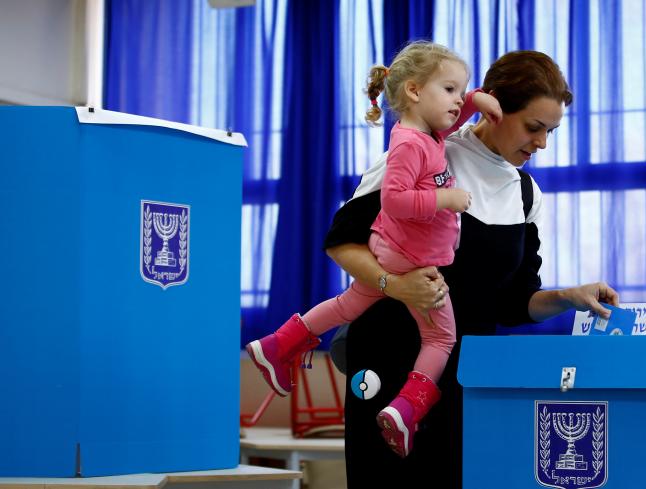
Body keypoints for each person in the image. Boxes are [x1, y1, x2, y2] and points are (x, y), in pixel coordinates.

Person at [324, 50, 620, 488]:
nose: (542, 144)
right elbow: (343, 241)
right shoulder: (425, 152)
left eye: (550, 132)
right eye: (534, 128)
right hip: (391, 365)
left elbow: (514, 304)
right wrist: (398, 285)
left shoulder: (525, 194)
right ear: (494, 107)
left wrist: (567, 297)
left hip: (468, 375)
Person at [245, 41, 502, 458]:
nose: (458, 102)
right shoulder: (409, 144)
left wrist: (476, 99)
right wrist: (445, 200)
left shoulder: (426, 134)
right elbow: (395, 200)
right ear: (416, 91)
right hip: (410, 255)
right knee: (440, 336)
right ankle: (407, 408)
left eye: (462, 91)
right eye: (451, 90)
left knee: (348, 303)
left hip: (395, 250)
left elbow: (452, 124)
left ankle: (278, 344)